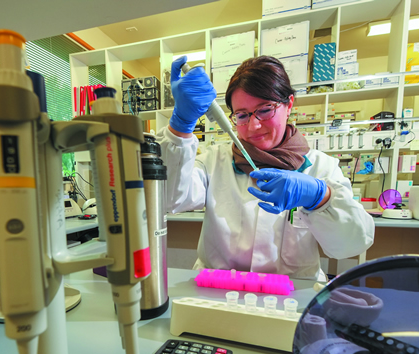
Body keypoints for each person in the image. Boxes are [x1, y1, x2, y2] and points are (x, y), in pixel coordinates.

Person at [157, 55, 374, 281]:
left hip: (291, 297)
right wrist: (180, 127)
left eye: (265, 109)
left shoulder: (321, 167)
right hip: (219, 292)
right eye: (242, 115)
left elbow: (352, 245)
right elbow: (169, 199)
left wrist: (321, 198)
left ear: (288, 104)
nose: (254, 125)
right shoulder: (215, 160)